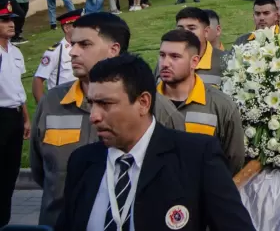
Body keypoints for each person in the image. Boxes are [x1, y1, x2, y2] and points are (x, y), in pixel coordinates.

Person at [54, 53, 255, 231]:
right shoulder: (82, 162)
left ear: (143, 103)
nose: (94, 116)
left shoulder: (196, 156)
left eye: (105, 104)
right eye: (92, 103)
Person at [30, 13, 184, 227]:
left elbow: (181, 174)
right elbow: (40, 171)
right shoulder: (51, 103)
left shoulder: (157, 109)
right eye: (72, 44)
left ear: (114, 50)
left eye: (84, 44)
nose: (72, 53)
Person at [156, 29, 245, 174]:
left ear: (194, 62)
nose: (165, 63)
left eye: (175, 56)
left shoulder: (222, 106)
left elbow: (234, 161)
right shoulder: (145, 103)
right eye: (162, 55)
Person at [0, 0, 30, 227]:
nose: (11, 24)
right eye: (5, 20)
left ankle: (4, 219)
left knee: (10, 171)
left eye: (12, 20)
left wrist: (26, 117)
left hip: (15, 115)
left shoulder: (16, 52)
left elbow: (18, 88)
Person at [32, 9, 81, 103]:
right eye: (78, 25)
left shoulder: (85, 48)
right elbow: (38, 79)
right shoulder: (55, 51)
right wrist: (43, 108)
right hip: (62, 103)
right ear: (67, 28)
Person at [170, 7, 225, 86]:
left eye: (191, 28)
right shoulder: (166, 60)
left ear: (206, 32)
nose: (185, 32)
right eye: (180, 28)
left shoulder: (225, 61)